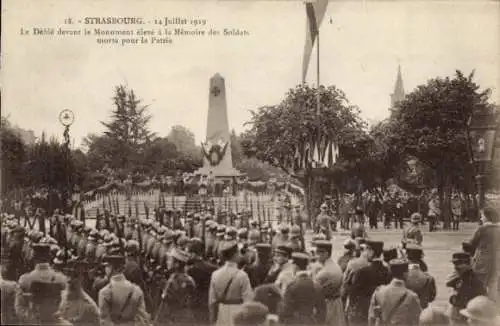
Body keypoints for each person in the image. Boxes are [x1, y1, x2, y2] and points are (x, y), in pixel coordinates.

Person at [15, 243, 68, 324]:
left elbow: (19, 308)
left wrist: (33, 320)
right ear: (50, 258)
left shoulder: (25, 280)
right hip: (55, 322)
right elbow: (65, 305)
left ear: (33, 258)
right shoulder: (61, 279)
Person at [346, 240, 391, 326]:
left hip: (364, 311)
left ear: (371, 252)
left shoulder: (363, 272)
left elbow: (353, 294)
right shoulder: (386, 270)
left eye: (367, 250)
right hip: (381, 311)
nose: (365, 253)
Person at [208, 241, 253, 326]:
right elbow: (248, 300)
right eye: (238, 253)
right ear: (235, 255)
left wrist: (212, 319)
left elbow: (212, 301)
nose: (240, 255)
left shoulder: (215, 274)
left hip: (221, 312)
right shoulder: (242, 275)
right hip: (238, 312)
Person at [98, 254, 151, 326]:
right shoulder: (136, 290)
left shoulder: (104, 293)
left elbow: (104, 321)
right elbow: (142, 319)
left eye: (106, 266)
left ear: (111, 268)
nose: (105, 269)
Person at [368, 259, 422, 326]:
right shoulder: (412, 296)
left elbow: (371, 318)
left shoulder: (378, 292)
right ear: (405, 274)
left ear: (390, 272)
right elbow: (419, 320)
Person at [462, 207, 500, 303]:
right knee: (493, 285)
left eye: (482, 216)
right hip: (497, 262)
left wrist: (465, 246)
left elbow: (472, 244)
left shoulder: (482, 229)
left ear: (487, 217)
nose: (481, 218)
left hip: (482, 262)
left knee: (479, 285)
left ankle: (480, 306)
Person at [280, 252, 326, 325]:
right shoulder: (316, 285)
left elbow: (286, 310)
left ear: (296, 267)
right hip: (311, 321)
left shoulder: (292, 286)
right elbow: (322, 310)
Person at [155, 248, 196, 326]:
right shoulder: (190, 279)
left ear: (177, 264)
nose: (168, 262)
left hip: (173, 317)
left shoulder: (172, 280)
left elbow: (164, 302)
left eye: (170, 260)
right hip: (187, 316)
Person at [447, 252, 487, 326]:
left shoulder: (473, 281)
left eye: (459, 264)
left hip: (465, 317)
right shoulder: (461, 278)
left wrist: (453, 300)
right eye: (454, 264)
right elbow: (448, 283)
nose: (455, 267)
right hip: (458, 315)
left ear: (468, 264)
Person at [313, 240, 346, 326]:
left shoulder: (324, 272)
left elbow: (315, 291)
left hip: (328, 305)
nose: (316, 256)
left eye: (318, 253)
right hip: (337, 304)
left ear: (326, 254)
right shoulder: (335, 266)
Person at [59, 260, 100, 326]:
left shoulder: (89, 306)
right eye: (68, 274)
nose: (70, 280)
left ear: (82, 278)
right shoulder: (58, 298)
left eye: (75, 276)